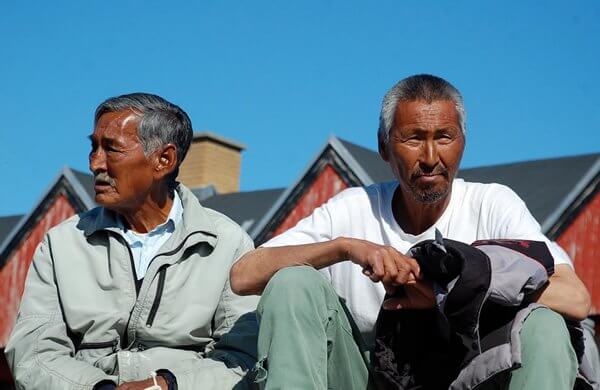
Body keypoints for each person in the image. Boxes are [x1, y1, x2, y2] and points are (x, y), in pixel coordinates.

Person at [230, 75, 591, 389]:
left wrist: (446, 290)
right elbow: (244, 274)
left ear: (463, 142)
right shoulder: (354, 207)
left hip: (469, 379)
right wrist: (345, 248)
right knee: (293, 282)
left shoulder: (491, 204)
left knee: (545, 325)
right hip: (364, 378)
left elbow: (575, 298)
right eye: (414, 138)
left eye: (445, 137)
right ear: (384, 146)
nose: (431, 156)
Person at [5, 93, 259, 389]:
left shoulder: (227, 243)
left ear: (164, 160)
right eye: (93, 148)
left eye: (111, 149)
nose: (95, 163)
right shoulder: (62, 243)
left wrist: (166, 386)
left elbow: (244, 358)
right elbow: (32, 352)